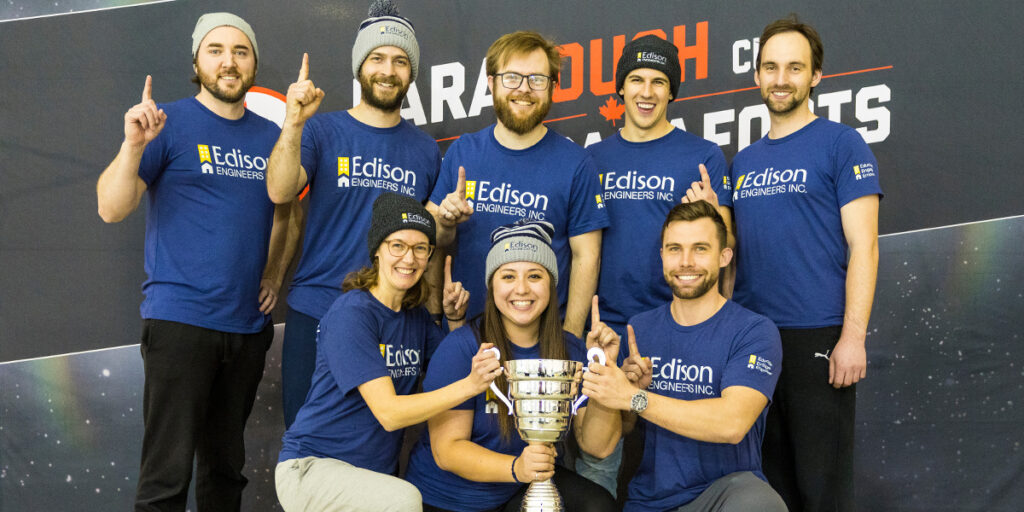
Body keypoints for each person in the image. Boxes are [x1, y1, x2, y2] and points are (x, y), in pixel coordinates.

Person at [95, 13, 294, 511]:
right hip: (180, 325)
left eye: (240, 51)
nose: (229, 61)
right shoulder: (166, 123)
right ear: (196, 61)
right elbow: (110, 207)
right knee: (166, 478)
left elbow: (288, 213)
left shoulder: (271, 136)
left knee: (225, 474)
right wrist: (132, 145)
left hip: (247, 331)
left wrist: (273, 273)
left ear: (252, 62)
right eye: (216, 50)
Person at [729, 15, 883, 511]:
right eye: (771, 68)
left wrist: (852, 337)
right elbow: (734, 254)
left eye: (794, 68)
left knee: (822, 488)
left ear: (816, 76)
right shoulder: (743, 162)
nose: (780, 79)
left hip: (818, 336)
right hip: (754, 339)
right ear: (756, 76)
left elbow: (865, 246)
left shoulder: (842, 144)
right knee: (767, 486)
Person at [266, 0, 441, 428]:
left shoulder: (425, 151)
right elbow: (279, 189)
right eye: (377, 57)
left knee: (374, 443)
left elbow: (425, 246)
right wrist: (292, 123)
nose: (388, 69)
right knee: (307, 447)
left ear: (412, 73)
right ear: (360, 66)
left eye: (401, 61)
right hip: (318, 307)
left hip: (390, 318)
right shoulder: (322, 130)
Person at [578, 34, 733, 496]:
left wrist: (716, 211)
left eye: (659, 82)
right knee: (598, 461)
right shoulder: (592, 159)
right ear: (620, 89)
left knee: (672, 460)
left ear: (672, 92)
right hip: (607, 331)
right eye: (637, 80)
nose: (647, 92)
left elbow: (725, 245)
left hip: (674, 329)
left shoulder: (701, 156)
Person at [275, 193, 498, 512]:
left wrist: (454, 319)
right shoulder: (352, 314)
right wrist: (470, 386)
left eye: (420, 248)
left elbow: (450, 368)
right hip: (312, 468)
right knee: (404, 499)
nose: (409, 259)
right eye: (398, 245)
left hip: (370, 478)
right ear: (378, 250)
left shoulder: (416, 317)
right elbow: (390, 414)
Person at [582, 201, 786, 511]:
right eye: (675, 249)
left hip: (722, 498)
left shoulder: (754, 331)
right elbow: (598, 446)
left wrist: (635, 399)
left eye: (700, 249)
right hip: (650, 503)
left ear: (724, 256)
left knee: (759, 502)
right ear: (662, 256)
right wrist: (607, 377)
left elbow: (732, 423)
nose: (686, 262)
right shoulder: (640, 329)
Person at [405, 221, 620, 512]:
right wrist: (517, 467)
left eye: (534, 276)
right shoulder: (462, 347)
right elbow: (448, 451)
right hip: (452, 500)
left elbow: (598, 447)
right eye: (508, 276)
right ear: (492, 285)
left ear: (551, 284)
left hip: (521, 489)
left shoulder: (572, 350)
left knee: (597, 505)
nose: (521, 289)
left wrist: (606, 373)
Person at [428, 31, 608, 338]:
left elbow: (586, 257)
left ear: (553, 87)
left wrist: (572, 338)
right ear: (491, 83)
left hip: (542, 344)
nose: (524, 89)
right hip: (466, 336)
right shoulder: (462, 151)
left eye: (537, 79)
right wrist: (444, 222)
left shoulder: (576, 163)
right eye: (512, 77)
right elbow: (431, 238)